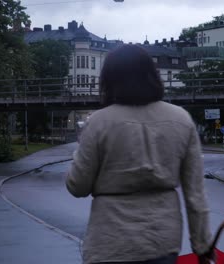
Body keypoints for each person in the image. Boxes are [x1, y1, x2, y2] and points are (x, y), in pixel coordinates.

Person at [66, 44, 213, 264]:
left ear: (109, 80)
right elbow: (195, 194)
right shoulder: (181, 119)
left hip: (110, 243)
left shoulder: (99, 122)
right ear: (152, 76)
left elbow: (78, 186)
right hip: (161, 241)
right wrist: (202, 245)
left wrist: (80, 152)